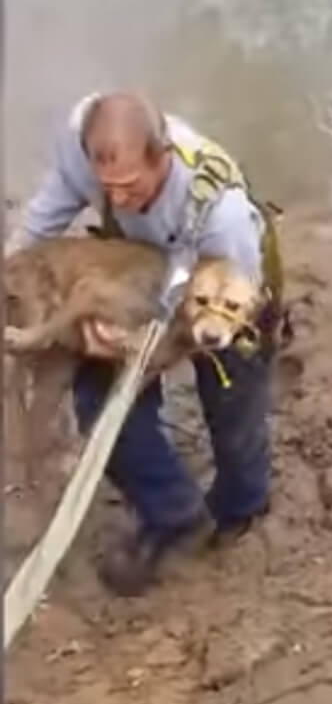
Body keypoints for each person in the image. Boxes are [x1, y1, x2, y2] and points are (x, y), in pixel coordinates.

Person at [6, 92, 283, 596]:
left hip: (225, 293)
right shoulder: (81, 149)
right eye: (106, 187)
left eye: (131, 187)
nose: (118, 199)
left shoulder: (221, 216)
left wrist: (145, 350)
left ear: (164, 159)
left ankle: (241, 507)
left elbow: (218, 319)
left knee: (232, 407)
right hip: (140, 272)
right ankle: (173, 511)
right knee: (100, 406)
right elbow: (39, 224)